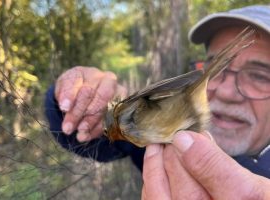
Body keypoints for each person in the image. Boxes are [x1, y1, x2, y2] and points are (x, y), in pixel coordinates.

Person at [45, 5, 270, 199]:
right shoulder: (160, 142)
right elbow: (96, 141)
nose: (226, 92)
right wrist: (73, 101)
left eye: (259, 76)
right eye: (216, 69)